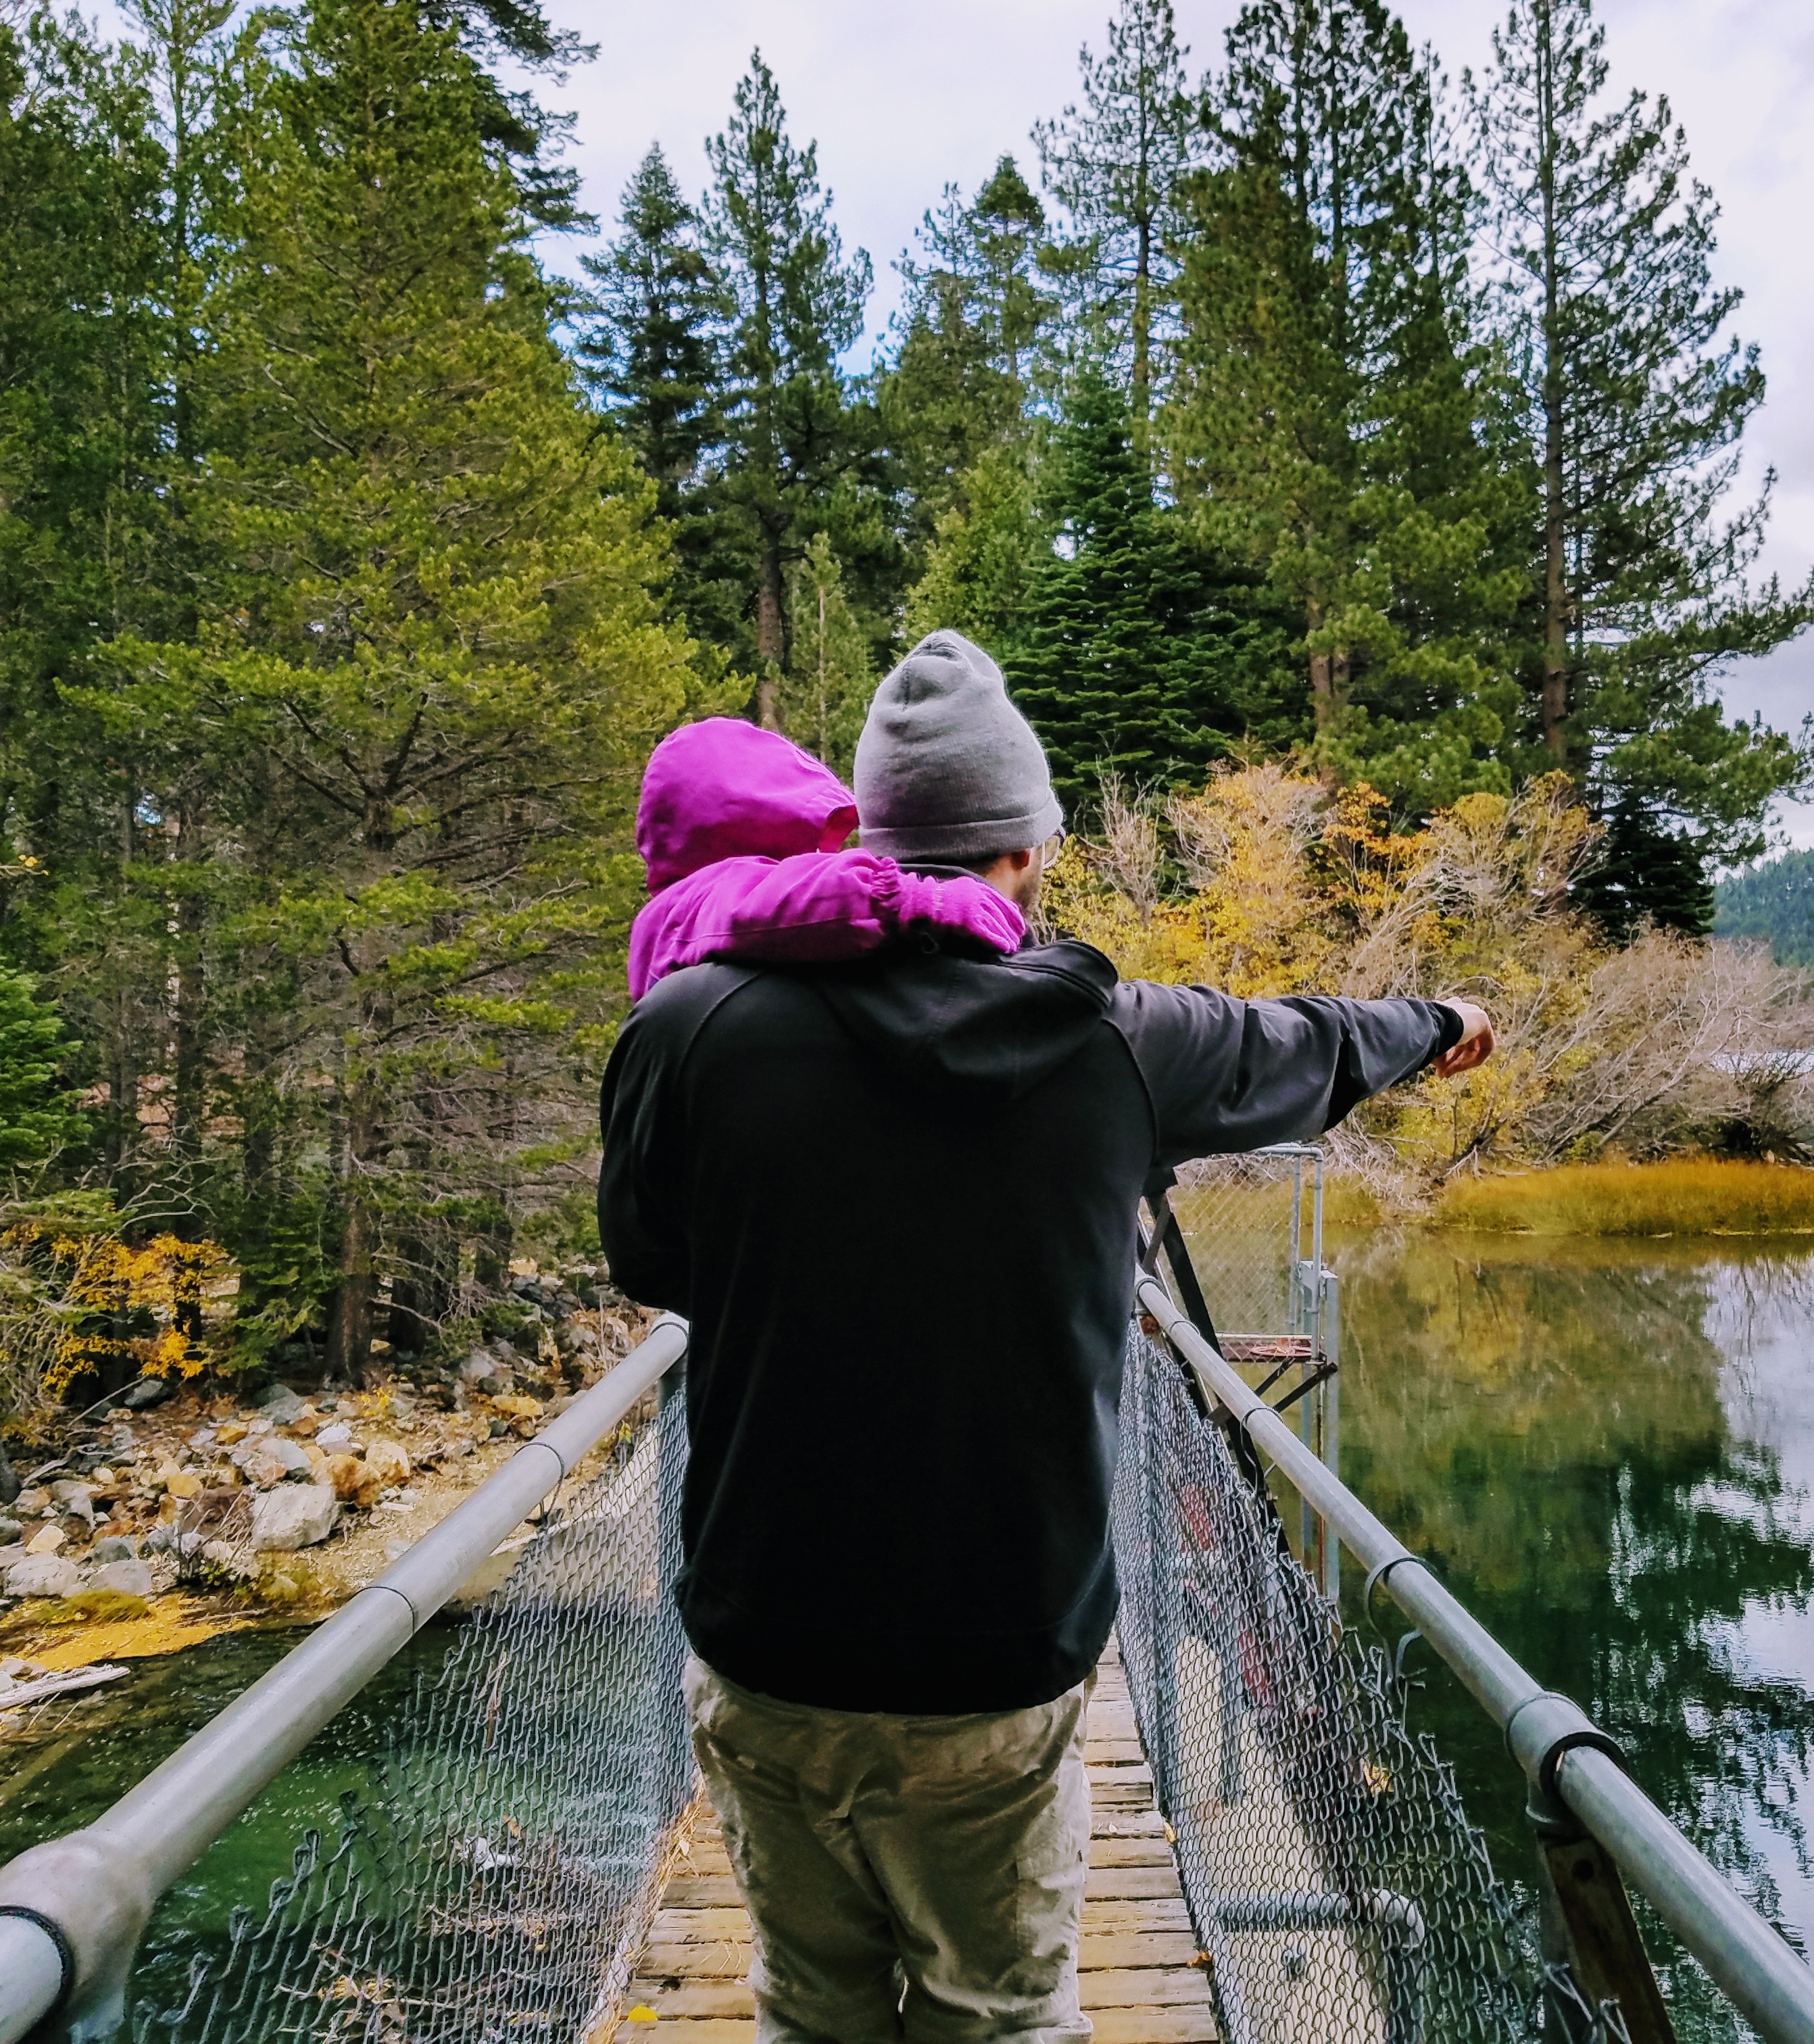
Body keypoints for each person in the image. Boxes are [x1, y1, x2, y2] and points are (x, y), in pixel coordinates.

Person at [599, 631, 1492, 2044]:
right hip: (999, 1648)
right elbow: (1307, 1046)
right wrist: (1439, 1020)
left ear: (873, 837)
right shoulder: (1122, 1043)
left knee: (813, 2012)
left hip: (767, 1629)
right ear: (1031, 846)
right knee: (1000, 2014)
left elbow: (654, 1260)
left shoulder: (687, 1029)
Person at [627, 716, 1026, 1000]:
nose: (820, 857)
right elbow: (772, 904)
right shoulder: (695, 905)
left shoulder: (683, 911)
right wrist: (915, 900)